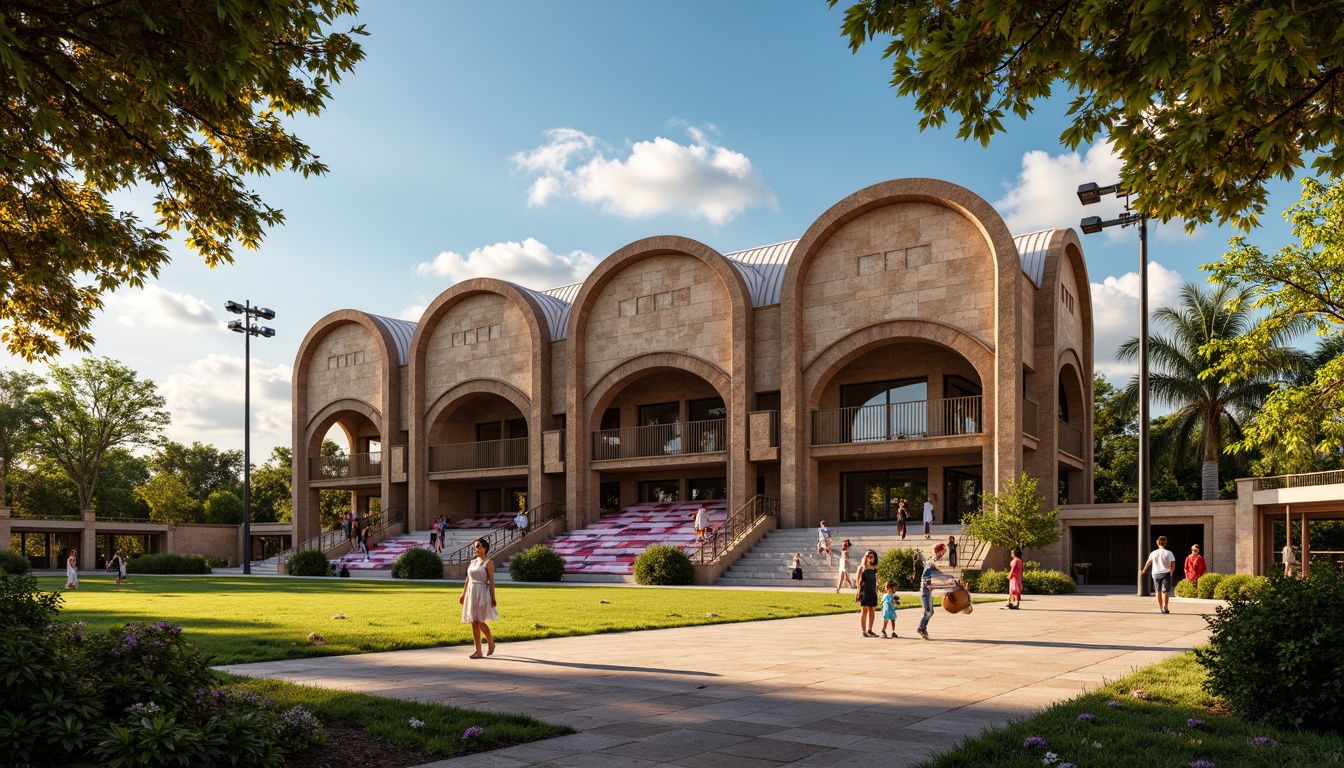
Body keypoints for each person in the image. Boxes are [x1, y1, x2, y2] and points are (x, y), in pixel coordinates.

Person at [459, 537, 498, 658]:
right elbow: (467, 579)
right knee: (473, 621)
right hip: (471, 592)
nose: (476, 549)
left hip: (482, 592)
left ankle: (490, 642)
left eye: (478, 546)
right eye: (475, 546)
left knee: (480, 621)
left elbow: (491, 582)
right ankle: (478, 651)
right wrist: (463, 594)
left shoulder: (488, 562)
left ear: (484, 548)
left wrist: (493, 597)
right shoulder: (472, 562)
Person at [916, 542, 959, 639]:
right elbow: (931, 571)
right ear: (938, 551)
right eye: (942, 552)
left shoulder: (933, 562)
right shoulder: (932, 561)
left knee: (929, 611)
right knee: (929, 612)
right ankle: (921, 627)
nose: (942, 555)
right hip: (925, 590)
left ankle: (923, 628)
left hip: (927, 590)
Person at [1139, 535, 1177, 614]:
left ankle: (1160, 608)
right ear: (1165, 543)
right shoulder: (1169, 553)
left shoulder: (1153, 553)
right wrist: (1171, 572)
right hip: (1166, 573)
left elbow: (1148, 562)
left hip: (1155, 574)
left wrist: (1143, 570)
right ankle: (1165, 607)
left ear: (1158, 543)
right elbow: (1173, 563)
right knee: (1165, 591)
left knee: (1158, 591)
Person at [854, 549, 880, 637]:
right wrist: (858, 592)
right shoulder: (862, 567)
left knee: (872, 610)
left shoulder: (874, 568)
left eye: (871, 556)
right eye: (868, 556)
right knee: (864, 610)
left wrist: (877, 586)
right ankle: (863, 631)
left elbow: (876, 579)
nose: (870, 558)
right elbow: (857, 580)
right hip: (864, 590)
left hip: (872, 590)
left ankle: (870, 629)